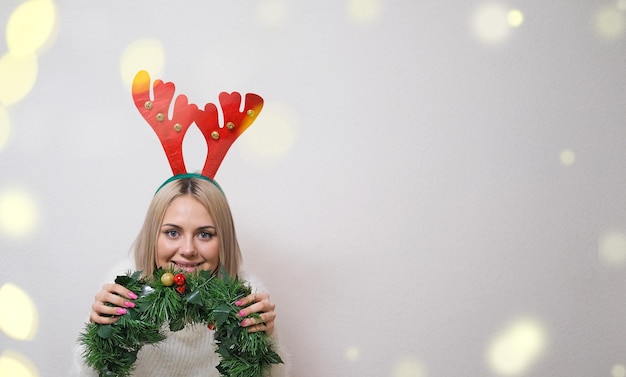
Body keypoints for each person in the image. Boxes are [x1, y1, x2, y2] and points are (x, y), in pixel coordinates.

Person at [71, 175, 288, 376]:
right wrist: (99, 332)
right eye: (172, 233)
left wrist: (268, 338)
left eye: (204, 234)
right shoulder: (124, 289)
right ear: (153, 236)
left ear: (224, 240)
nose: (187, 249)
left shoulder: (247, 297)